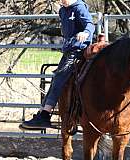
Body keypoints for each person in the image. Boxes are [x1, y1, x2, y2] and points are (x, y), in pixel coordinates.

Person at [21, 0, 95, 129]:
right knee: (56, 80)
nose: (61, 0)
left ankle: (45, 115)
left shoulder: (79, 8)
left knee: (59, 80)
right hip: (68, 51)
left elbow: (90, 24)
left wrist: (85, 33)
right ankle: (42, 113)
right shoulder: (62, 11)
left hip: (77, 51)